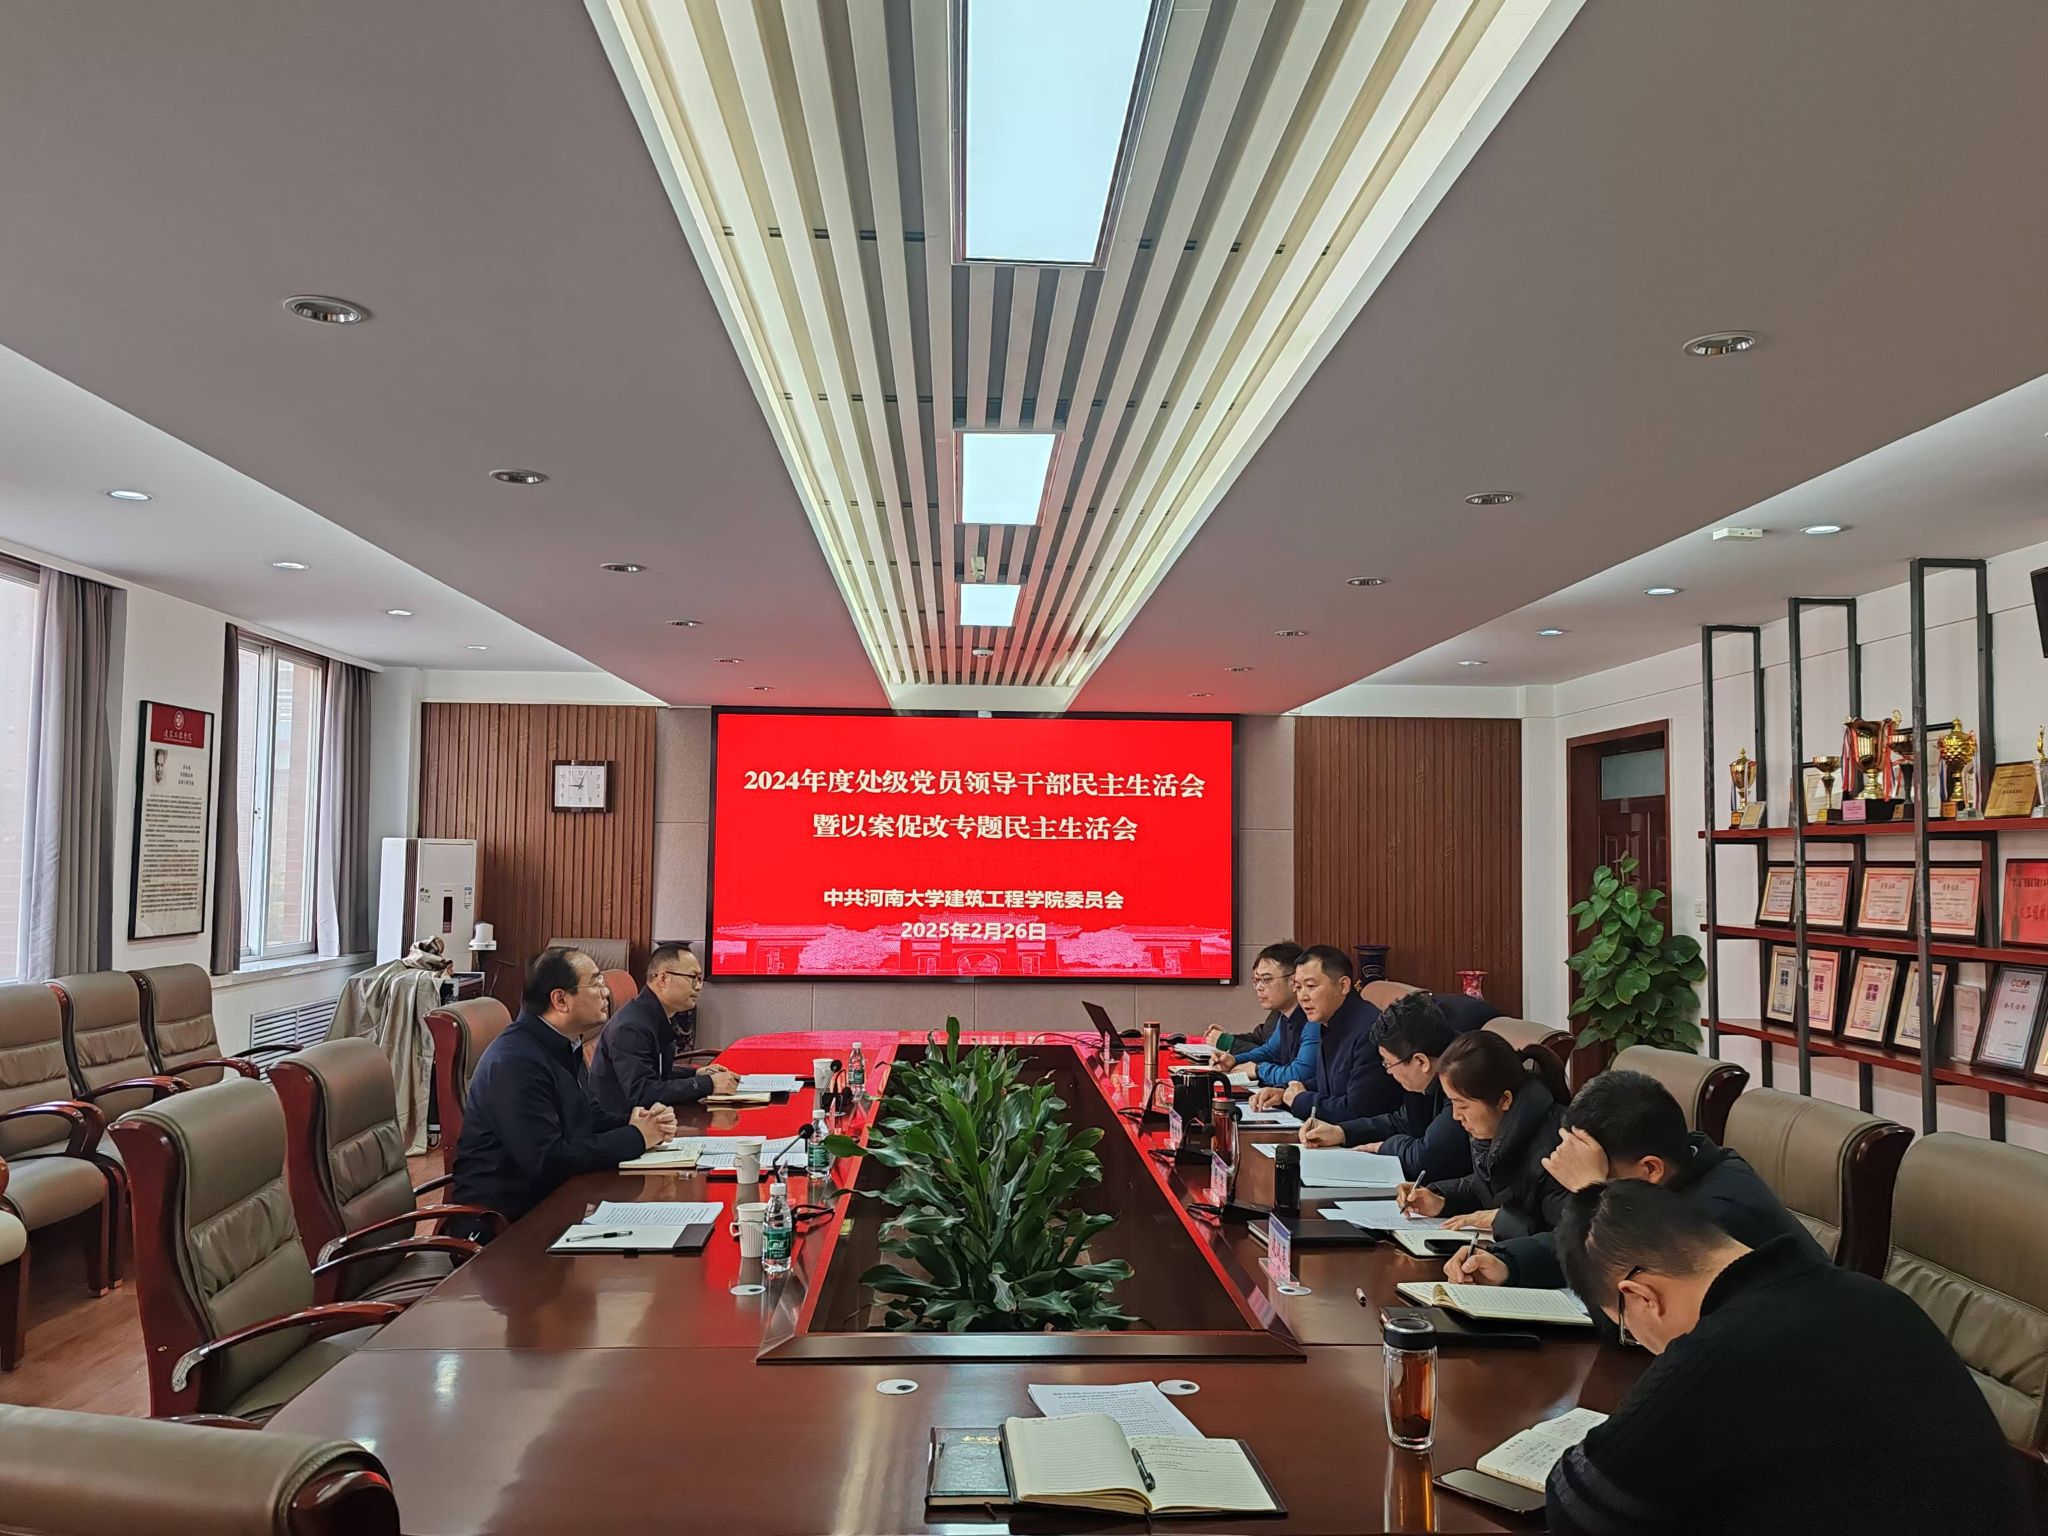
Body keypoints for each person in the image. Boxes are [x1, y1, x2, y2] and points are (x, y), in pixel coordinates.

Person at [1545, 1181, 2025, 1536]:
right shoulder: (1872, 1295)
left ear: (1641, 1296)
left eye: (1627, 1328)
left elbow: (1578, 1508)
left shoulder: (1719, 1351)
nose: (1642, 1344)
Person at [1446, 1069, 1820, 1287]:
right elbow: (1578, 1241)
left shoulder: (1717, 1213)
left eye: (1602, 1173)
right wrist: (1507, 1263)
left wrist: (1590, 1193)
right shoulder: (1679, 1169)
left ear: (1650, 1169)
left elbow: (1620, 1306)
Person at [450, 947, 675, 1236]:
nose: (606, 992)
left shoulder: (562, 1042)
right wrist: (636, 1137)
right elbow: (548, 1159)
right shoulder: (517, 1061)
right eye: (596, 983)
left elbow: (588, 1115)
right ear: (560, 1000)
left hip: (553, 1204)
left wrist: (639, 1121)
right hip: (503, 1227)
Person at [1395, 1028, 1567, 1239]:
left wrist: (1499, 1220)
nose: (1456, 1116)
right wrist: (1441, 1199)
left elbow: (1567, 1239)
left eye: (1462, 1105)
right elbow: (1486, 1188)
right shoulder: (1498, 1129)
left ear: (1505, 1100)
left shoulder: (1560, 1146)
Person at [1299, 991, 1470, 1182]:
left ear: (1421, 1062)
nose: (1388, 1072)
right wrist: (1341, 1132)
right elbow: (1403, 1121)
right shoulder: (1430, 1065)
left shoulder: (1464, 1076)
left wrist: (1382, 1147)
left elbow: (1425, 1157)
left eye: (1388, 1063)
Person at [1251, 945, 1398, 1123]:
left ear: (1343, 985)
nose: (1302, 997)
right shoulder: (1329, 1021)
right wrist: (1284, 1093)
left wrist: (1301, 1100)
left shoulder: (1369, 1029)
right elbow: (1330, 1084)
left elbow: (1358, 1110)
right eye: (1298, 987)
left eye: (1311, 986)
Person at [588, 944, 737, 1116]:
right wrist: (708, 1084)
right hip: (621, 1124)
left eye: (700, 979)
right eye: (692, 978)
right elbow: (642, 1093)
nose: (698, 987)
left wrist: (696, 1073)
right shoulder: (631, 1027)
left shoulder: (651, 1015)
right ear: (663, 978)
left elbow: (655, 1071)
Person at [1211, 943, 1315, 1088]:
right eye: (1256, 980)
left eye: (1266, 980)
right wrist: (1234, 1060)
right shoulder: (1285, 1016)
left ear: (1293, 982)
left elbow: (1299, 1074)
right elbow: (1270, 1051)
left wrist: (1258, 1069)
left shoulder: (1313, 1018)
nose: (1259, 987)